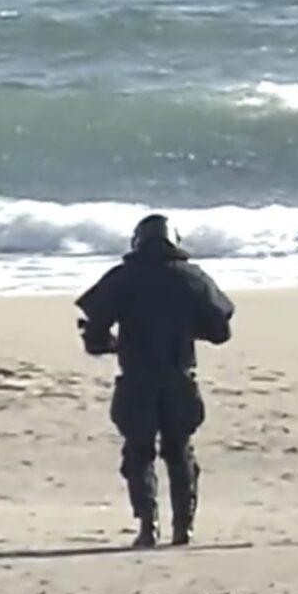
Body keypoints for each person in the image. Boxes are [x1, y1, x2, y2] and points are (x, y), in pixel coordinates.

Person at [75, 214, 235, 548]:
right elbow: (221, 332)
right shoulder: (193, 278)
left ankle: (148, 525)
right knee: (179, 452)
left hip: (136, 380)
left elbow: (93, 337)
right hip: (180, 379)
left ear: (138, 241)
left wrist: (111, 343)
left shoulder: (122, 278)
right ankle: (183, 527)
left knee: (138, 452)